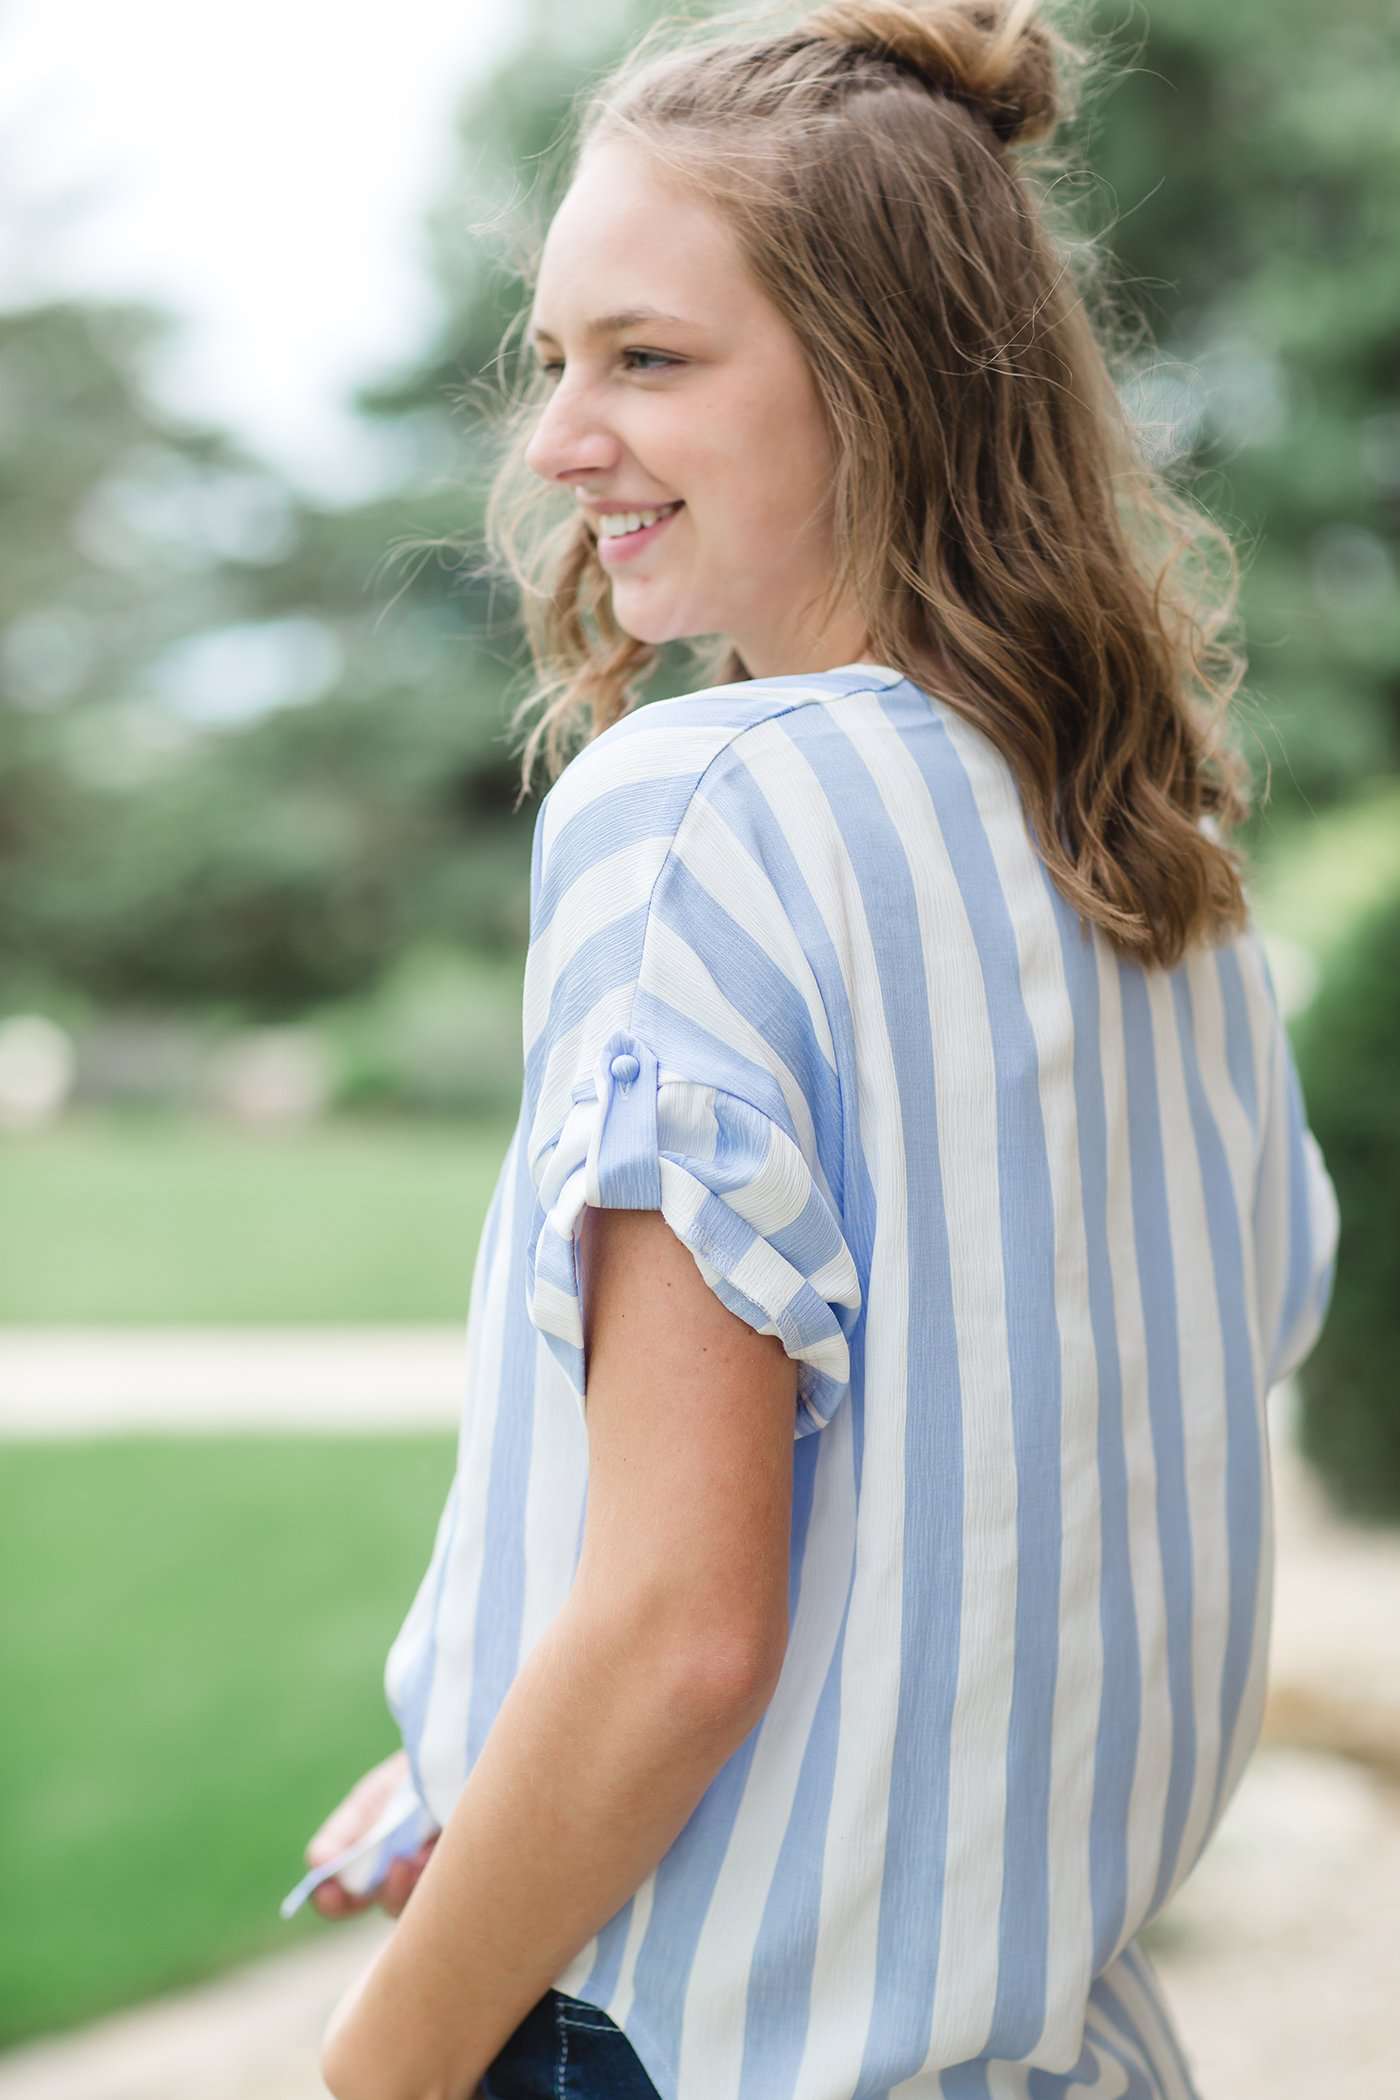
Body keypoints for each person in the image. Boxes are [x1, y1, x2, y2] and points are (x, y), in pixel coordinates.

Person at [290, 2, 1341, 2096]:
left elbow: (682, 1633)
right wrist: (486, 1770)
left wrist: (379, 2067)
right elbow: (1067, 1444)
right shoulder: (1163, 862)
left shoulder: (701, 810)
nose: (559, 439)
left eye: (650, 359)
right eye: (559, 358)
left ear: (884, 380)